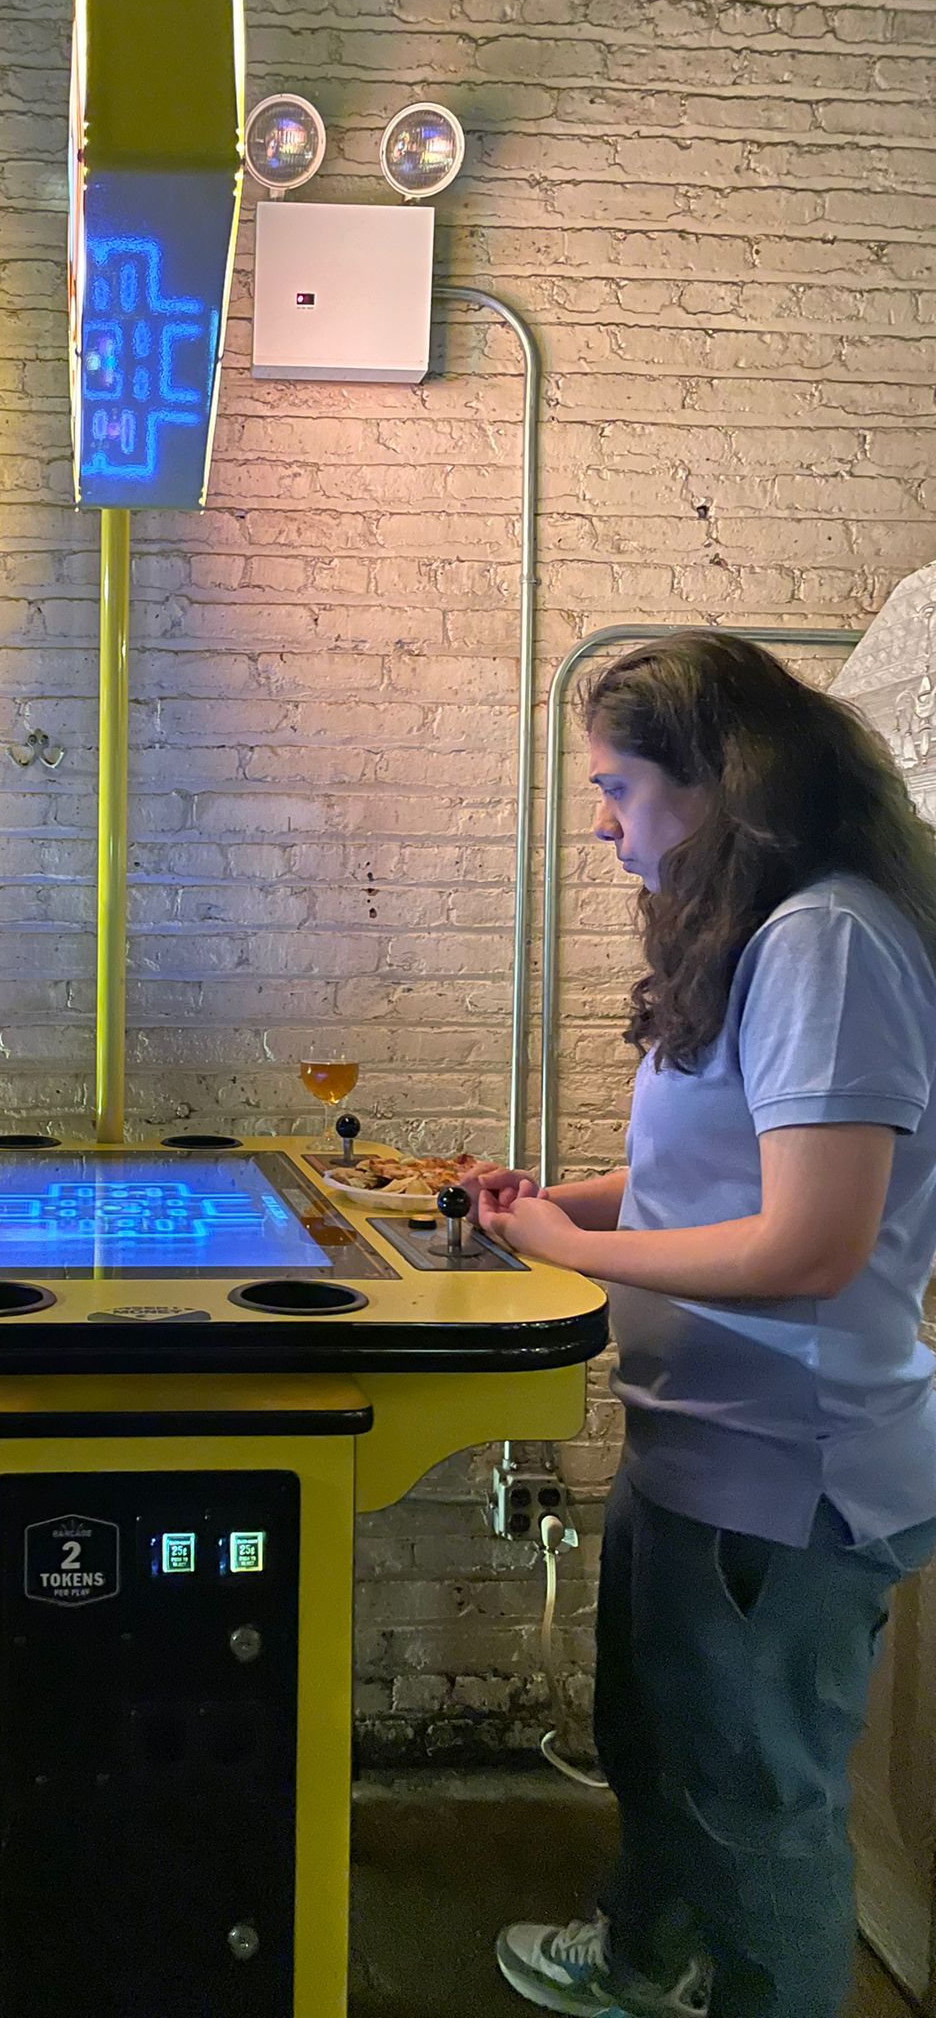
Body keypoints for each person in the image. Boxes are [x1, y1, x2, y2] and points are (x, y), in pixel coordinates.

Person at [473, 632, 936, 2018]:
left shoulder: (830, 941)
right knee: (661, 1743)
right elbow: (721, 1174)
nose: (605, 824)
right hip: (708, 1449)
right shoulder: (769, 931)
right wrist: (565, 1205)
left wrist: (563, 1244)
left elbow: (813, 1236)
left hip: (788, 1475)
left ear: (716, 782)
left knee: (757, 1812)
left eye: (618, 789)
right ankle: (641, 1963)